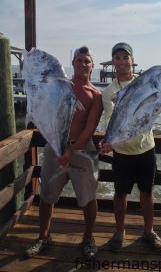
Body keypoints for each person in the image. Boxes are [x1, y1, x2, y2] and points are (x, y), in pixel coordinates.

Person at [101, 42, 161, 253]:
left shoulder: (145, 81)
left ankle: (149, 231)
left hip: (146, 148)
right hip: (122, 152)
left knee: (147, 193)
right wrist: (108, 141)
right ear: (113, 62)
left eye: (125, 57)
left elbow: (159, 100)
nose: (122, 62)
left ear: (132, 60)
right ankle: (119, 232)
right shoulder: (109, 91)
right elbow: (110, 120)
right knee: (120, 194)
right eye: (117, 58)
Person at [24, 46, 103, 260]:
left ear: (92, 66)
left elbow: (90, 127)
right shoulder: (60, 83)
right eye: (78, 60)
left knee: (88, 198)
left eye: (86, 61)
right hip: (54, 147)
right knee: (47, 195)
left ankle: (88, 239)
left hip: (82, 150)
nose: (82, 64)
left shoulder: (96, 95)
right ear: (73, 63)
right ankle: (43, 237)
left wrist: (71, 151)